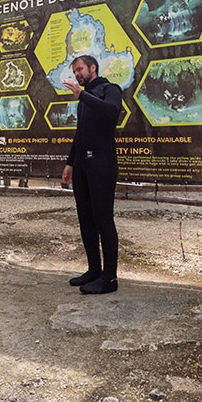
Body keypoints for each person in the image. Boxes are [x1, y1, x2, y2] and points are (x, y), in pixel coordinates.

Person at [61, 55, 123, 295]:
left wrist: (82, 95)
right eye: (75, 71)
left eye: (80, 69)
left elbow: (111, 112)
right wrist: (70, 162)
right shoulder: (83, 100)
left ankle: (109, 279)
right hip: (82, 165)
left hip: (102, 163)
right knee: (86, 220)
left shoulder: (110, 89)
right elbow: (81, 133)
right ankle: (94, 271)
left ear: (92, 68)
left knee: (103, 220)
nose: (77, 74)